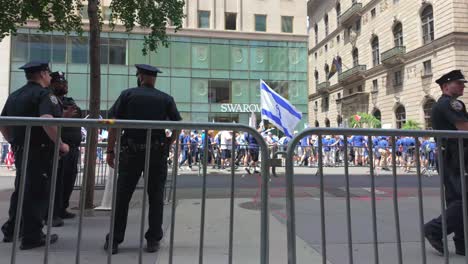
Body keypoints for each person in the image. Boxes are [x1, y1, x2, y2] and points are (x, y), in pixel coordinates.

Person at [105, 64, 182, 254]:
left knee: (122, 197)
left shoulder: (127, 95)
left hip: (130, 153)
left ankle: (114, 240)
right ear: (154, 79)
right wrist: (169, 143)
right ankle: (153, 240)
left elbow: (113, 124)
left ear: (139, 76)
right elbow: (178, 125)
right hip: (156, 153)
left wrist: (110, 150)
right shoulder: (166, 98)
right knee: (156, 197)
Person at [0, 61, 69, 249]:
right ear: (42, 74)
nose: (50, 76)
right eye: (48, 73)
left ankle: (13, 229)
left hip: (22, 150)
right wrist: (61, 144)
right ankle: (32, 236)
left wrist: (14, 142)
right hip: (40, 150)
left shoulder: (15, 95)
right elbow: (47, 120)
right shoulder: (44, 95)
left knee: (21, 189)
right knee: (37, 192)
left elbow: (3, 123)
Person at [424, 70, 468, 256]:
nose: (463, 86)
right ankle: (435, 229)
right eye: (458, 83)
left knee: (456, 201)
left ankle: (462, 244)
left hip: (452, 156)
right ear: (445, 86)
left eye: (463, 83)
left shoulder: (448, 104)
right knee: (462, 201)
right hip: (455, 158)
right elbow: (464, 127)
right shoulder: (450, 104)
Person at [49, 71, 82, 227]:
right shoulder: (50, 101)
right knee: (57, 181)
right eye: (60, 83)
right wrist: (63, 115)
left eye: (65, 83)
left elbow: (79, 113)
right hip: (59, 147)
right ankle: (52, 213)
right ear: (52, 84)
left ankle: (62, 208)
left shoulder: (68, 101)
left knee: (69, 179)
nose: (64, 86)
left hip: (73, 148)